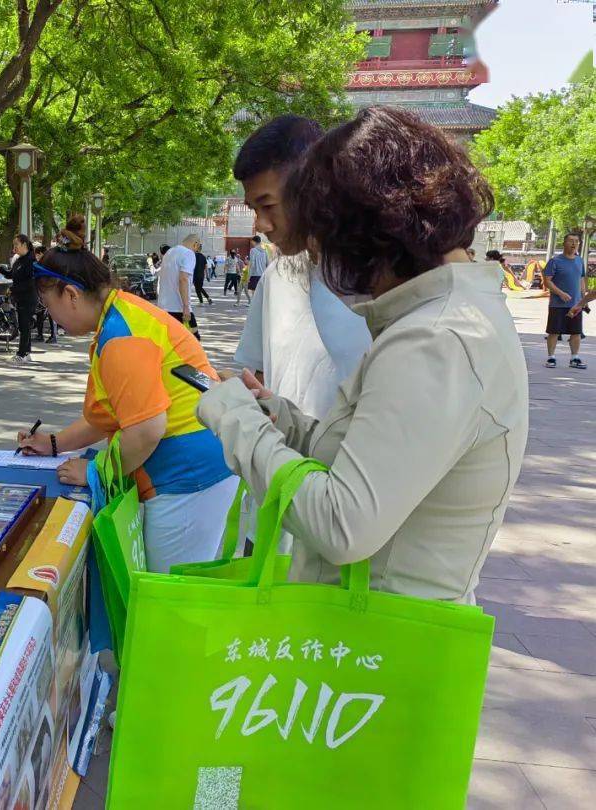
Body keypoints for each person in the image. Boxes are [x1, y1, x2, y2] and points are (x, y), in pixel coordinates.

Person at [198, 106, 528, 604]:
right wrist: (281, 419)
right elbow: (365, 456)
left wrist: (239, 424)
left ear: (369, 227)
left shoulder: (435, 340)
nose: (323, 256)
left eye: (324, 234)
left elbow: (342, 525)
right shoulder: (448, 316)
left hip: (381, 642)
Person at [18, 215, 238, 572]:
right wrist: (54, 443)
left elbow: (146, 428)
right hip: (195, 468)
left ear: (71, 295)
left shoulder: (121, 338)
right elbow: (115, 415)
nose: (50, 316)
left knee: (165, 601)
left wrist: (96, 470)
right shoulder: (122, 315)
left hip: (188, 479)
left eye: (48, 306)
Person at [232, 114, 371, 421]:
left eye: (268, 206)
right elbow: (256, 373)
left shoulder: (377, 281)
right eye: (253, 209)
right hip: (286, 461)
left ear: (313, 186)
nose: (261, 225)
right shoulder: (276, 277)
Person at [543, 233, 586, 369]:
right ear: (564, 243)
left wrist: (584, 299)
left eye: (576, 241)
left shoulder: (580, 261)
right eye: (571, 241)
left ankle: (575, 358)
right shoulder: (555, 261)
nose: (574, 244)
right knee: (554, 331)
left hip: (576, 304)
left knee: (576, 332)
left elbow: (581, 280)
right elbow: (547, 281)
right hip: (557, 304)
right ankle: (551, 357)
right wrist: (560, 293)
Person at [156, 234, 200, 338]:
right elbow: (183, 279)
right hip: (179, 308)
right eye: (198, 247)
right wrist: (185, 306)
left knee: (170, 344)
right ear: (195, 244)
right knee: (193, 343)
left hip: (164, 307)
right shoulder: (188, 254)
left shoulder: (169, 253)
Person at [10, 233, 36, 363]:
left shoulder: (30, 260)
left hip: (28, 297)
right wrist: (1, 271)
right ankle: (27, 352)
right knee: (23, 325)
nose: (14, 247)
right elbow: (14, 275)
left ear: (24, 245)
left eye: (16, 245)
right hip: (20, 297)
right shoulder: (19, 260)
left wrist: (13, 289)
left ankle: (22, 353)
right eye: (13, 245)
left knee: (24, 325)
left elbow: (30, 282)